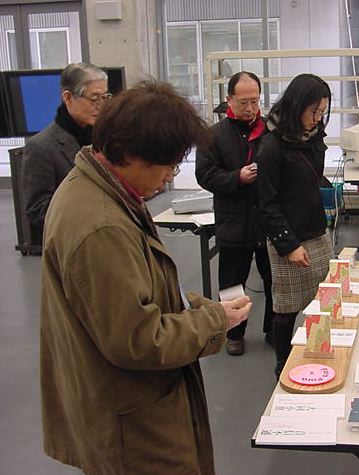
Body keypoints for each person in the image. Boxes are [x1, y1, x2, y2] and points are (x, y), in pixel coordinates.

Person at [39, 81, 252, 475]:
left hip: (129, 402)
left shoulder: (100, 189)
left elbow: (138, 289)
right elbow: (137, 339)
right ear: (131, 154)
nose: (169, 178)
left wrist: (203, 306)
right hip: (132, 422)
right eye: (167, 166)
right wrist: (214, 321)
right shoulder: (101, 226)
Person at [256, 73, 334, 378]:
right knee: (286, 307)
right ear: (296, 105)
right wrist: (289, 246)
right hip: (286, 237)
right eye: (313, 111)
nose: (318, 119)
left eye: (322, 112)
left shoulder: (313, 137)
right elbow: (266, 205)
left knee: (325, 298)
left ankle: (319, 351)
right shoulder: (272, 147)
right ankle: (282, 365)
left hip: (315, 229)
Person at [196, 71, 273, 356]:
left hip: (267, 221)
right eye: (243, 102)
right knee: (232, 283)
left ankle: (273, 330)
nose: (250, 108)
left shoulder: (270, 131)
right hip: (233, 220)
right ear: (229, 100)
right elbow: (204, 174)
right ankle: (234, 333)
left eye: (255, 101)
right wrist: (236, 178)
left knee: (273, 280)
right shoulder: (214, 135)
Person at [21, 62, 108, 245]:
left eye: (105, 97)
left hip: (109, 235)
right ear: (68, 98)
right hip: (72, 243)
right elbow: (37, 210)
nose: (100, 106)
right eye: (94, 99)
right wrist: (92, 214)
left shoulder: (105, 136)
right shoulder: (41, 146)